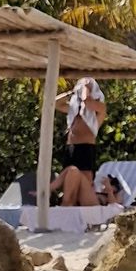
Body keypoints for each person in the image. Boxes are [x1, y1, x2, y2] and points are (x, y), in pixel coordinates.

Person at [52, 75, 106, 207]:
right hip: (71, 148)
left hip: (86, 148)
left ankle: (85, 216)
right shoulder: (74, 109)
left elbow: (87, 101)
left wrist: (86, 87)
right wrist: (72, 92)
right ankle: (68, 213)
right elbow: (54, 103)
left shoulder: (99, 108)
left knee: (84, 184)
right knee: (69, 187)